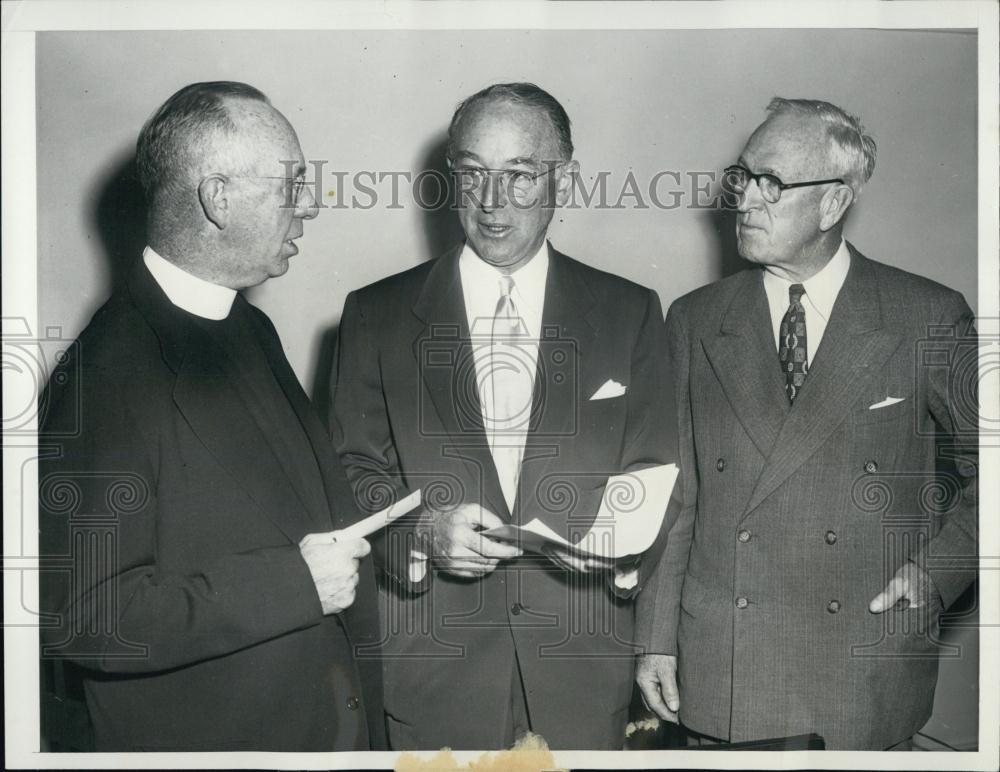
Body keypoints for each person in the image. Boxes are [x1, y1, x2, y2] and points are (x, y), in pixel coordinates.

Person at [38, 81, 384, 752]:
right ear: (217, 199)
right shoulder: (104, 372)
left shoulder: (248, 326)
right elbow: (84, 616)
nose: (310, 206)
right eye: (292, 185)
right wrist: (293, 583)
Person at [331, 82, 675, 750]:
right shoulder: (374, 315)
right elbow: (349, 469)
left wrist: (616, 552)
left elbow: (653, 467)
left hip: (581, 665)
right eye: (471, 175)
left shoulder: (630, 311)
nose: (492, 204)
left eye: (519, 176)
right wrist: (423, 530)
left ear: (562, 180)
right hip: (435, 668)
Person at [635, 97, 978, 750]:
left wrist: (937, 573)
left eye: (772, 184)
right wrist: (654, 639)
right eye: (743, 177)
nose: (745, 201)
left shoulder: (926, 315)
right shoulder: (695, 319)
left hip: (858, 663)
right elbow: (675, 497)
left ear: (832, 203)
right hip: (724, 667)